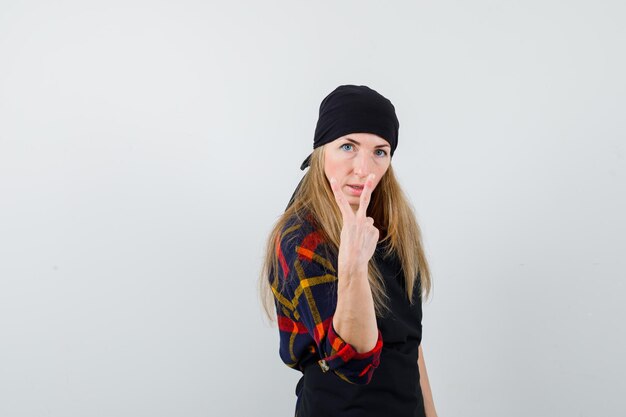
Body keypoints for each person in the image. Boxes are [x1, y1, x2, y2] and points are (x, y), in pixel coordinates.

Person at [259, 85, 438, 417]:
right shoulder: (301, 240)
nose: (364, 168)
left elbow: (410, 342)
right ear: (322, 151)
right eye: (348, 147)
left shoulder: (394, 226)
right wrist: (354, 267)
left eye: (379, 151)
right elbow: (354, 360)